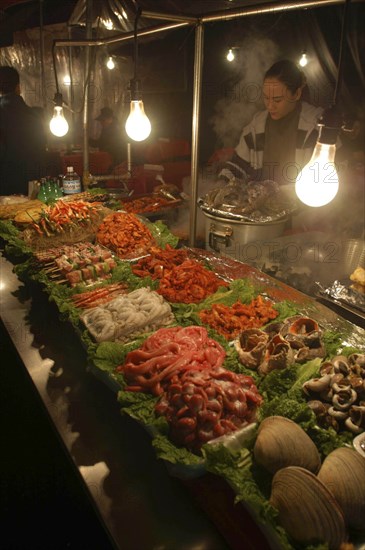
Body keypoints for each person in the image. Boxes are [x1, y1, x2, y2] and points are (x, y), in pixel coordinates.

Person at [218, 59, 323, 186]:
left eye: (277, 100)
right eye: (266, 98)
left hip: (302, 203)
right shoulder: (256, 127)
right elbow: (238, 166)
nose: (270, 106)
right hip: (262, 203)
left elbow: (331, 174)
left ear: (296, 94)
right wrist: (221, 184)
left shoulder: (316, 125)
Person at [0, 66, 46, 196]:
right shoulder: (35, 115)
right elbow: (43, 147)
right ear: (18, 87)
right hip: (32, 185)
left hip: (4, 188)